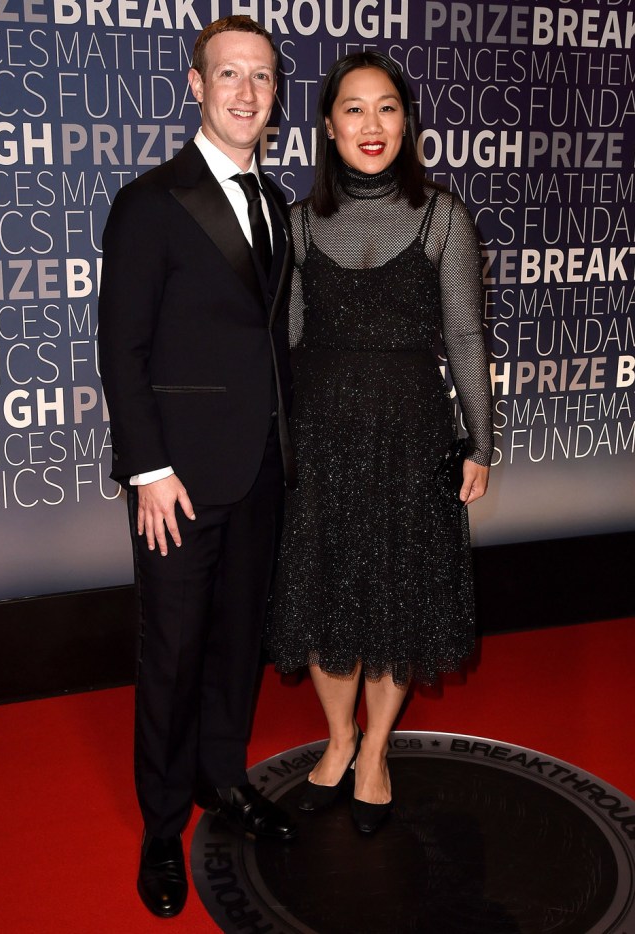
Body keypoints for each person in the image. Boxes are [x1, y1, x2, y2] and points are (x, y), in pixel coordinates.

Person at [98, 16, 297, 920]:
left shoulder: (281, 205)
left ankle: (225, 783)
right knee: (172, 656)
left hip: (261, 472)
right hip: (177, 485)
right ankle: (159, 828)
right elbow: (120, 349)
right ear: (195, 83)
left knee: (236, 646)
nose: (246, 93)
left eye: (261, 77)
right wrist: (148, 472)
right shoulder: (151, 202)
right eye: (229, 74)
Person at [268, 51, 493, 835]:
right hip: (323, 438)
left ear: (407, 122)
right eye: (353, 110)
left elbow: (465, 336)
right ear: (328, 128)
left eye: (387, 107)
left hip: (412, 438)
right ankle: (338, 740)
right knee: (329, 592)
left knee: (398, 597)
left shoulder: (443, 217)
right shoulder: (295, 223)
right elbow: (287, 340)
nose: (372, 125)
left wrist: (482, 443)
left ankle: (374, 756)